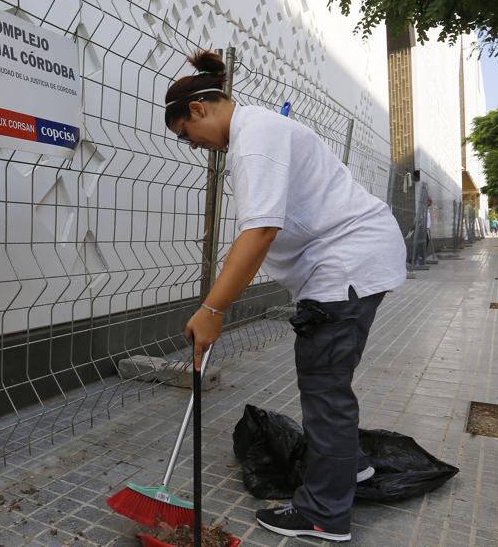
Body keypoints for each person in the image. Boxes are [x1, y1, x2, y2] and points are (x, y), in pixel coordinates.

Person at [166, 51, 406, 543]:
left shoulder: (254, 140)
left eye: (185, 136)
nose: (192, 146)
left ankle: (324, 514)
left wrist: (212, 309)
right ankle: (350, 468)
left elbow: (259, 232)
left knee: (323, 386)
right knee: (329, 381)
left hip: (345, 268)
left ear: (197, 110)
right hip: (354, 260)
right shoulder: (259, 130)